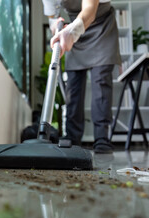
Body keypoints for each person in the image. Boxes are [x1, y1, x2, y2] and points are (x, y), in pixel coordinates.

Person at [42, 0, 121, 154]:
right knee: (73, 85)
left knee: (101, 83)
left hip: (101, 28)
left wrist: (71, 32)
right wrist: (55, 25)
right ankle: (72, 138)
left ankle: (102, 139)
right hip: (74, 30)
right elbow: (52, 16)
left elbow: (90, 11)